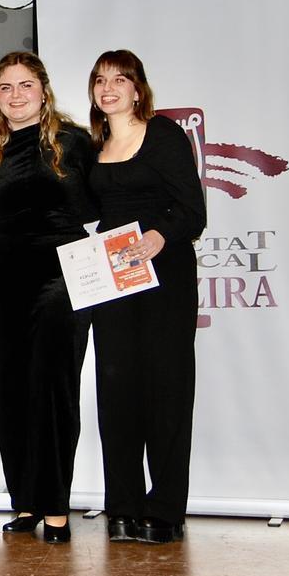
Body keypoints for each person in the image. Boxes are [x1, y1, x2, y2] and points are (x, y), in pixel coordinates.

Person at [0, 52, 98, 543]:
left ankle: (56, 506)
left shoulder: (75, 142)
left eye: (25, 85)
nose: (16, 95)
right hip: (1, 287)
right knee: (11, 393)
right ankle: (25, 504)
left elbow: (104, 208)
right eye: (6, 88)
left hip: (60, 281)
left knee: (53, 393)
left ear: (43, 89)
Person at [86, 49, 206, 544]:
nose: (108, 88)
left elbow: (193, 211)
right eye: (99, 80)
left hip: (164, 275)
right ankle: (123, 507)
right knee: (116, 391)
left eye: (120, 79)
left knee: (167, 389)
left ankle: (165, 510)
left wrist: (159, 236)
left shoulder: (163, 135)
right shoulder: (92, 146)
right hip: (114, 279)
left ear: (138, 89)